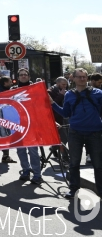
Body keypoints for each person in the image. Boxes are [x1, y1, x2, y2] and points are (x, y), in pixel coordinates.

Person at [51, 68, 102, 198]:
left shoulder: (98, 93)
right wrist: (52, 103)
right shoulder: (69, 94)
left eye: (84, 76)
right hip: (75, 133)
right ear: (73, 78)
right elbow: (65, 113)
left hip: (95, 133)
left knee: (98, 164)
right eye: (79, 77)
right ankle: (74, 189)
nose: (82, 79)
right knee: (74, 163)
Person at [48, 76, 69, 162]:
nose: (64, 86)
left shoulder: (66, 92)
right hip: (56, 118)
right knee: (63, 138)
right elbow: (51, 104)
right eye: (63, 84)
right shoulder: (50, 91)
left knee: (66, 137)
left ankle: (53, 147)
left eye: (66, 85)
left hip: (65, 117)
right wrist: (61, 95)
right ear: (57, 84)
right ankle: (65, 158)